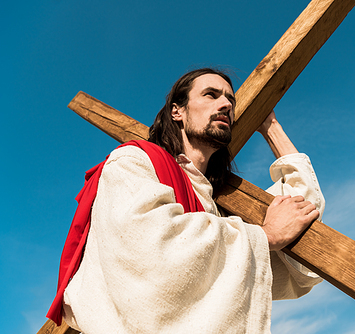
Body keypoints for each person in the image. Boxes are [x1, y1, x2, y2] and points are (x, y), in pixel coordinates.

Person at [47, 68, 325, 333]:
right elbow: (149, 245)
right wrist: (265, 236)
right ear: (177, 111)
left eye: (230, 98)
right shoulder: (133, 162)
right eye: (211, 94)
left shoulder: (215, 211)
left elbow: (300, 221)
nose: (226, 104)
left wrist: (271, 127)